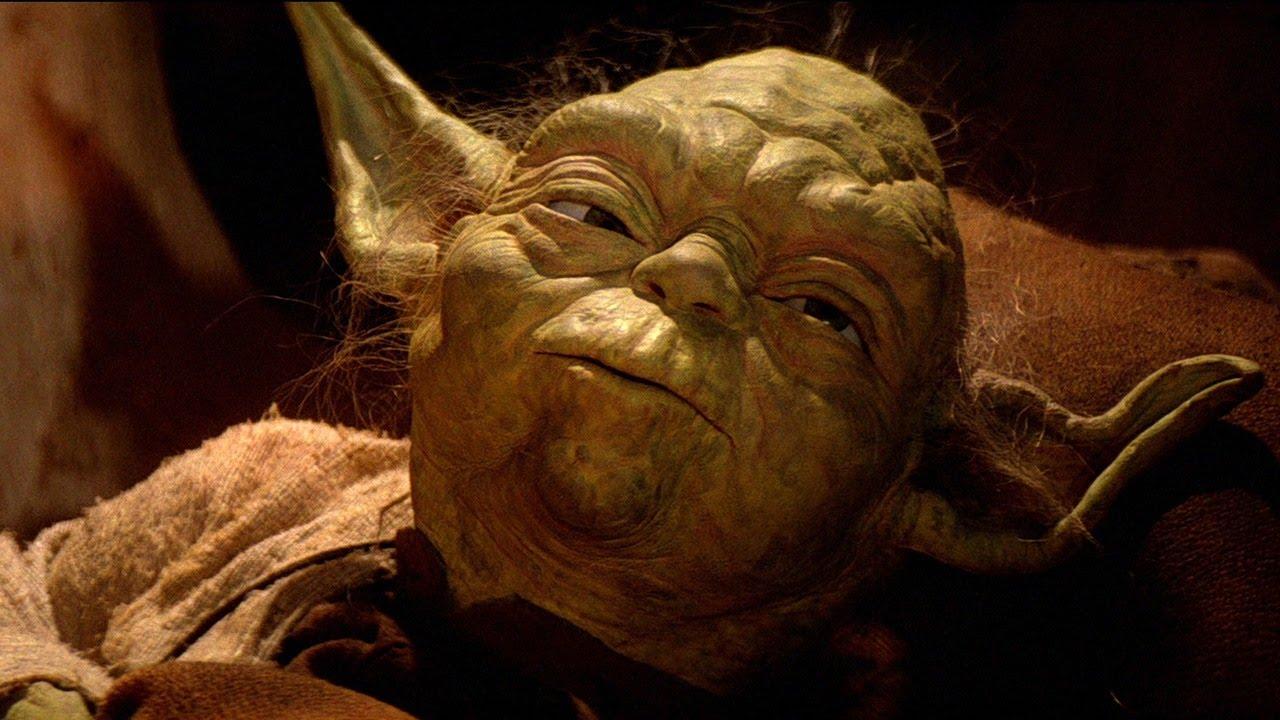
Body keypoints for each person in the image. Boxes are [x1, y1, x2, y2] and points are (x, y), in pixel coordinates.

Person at [2, 4, 1273, 718]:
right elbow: (27, 584)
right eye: (592, 210)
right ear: (422, 235)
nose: (691, 277)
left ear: (942, 496)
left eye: (825, 309)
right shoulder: (273, 485)